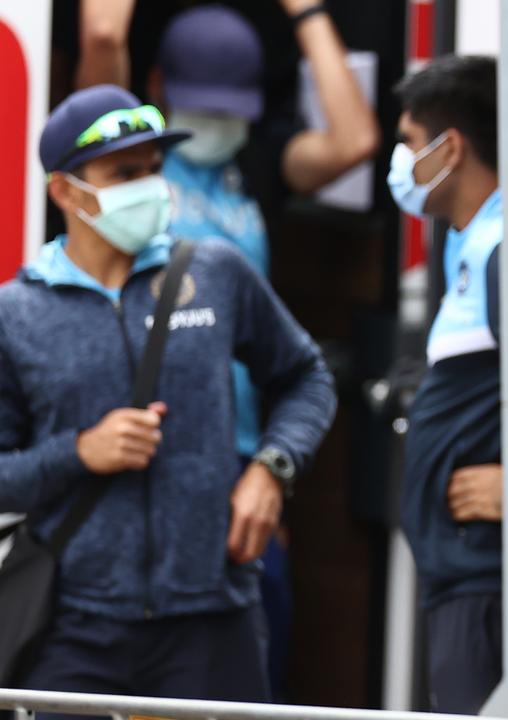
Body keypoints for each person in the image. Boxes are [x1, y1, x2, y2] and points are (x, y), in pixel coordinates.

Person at [0, 85, 336, 717]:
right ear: (66, 192)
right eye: (124, 172)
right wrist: (78, 452)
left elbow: (305, 375)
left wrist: (272, 468)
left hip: (213, 619)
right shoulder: (16, 313)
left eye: (153, 168)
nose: (150, 186)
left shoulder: (216, 270)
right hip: (76, 627)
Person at [75, 2, 379, 696]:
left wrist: (308, 12)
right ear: (156, 86)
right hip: (131, 456)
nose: (217, 123)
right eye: (202, 105)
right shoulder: (126, 168)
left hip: (240, 467)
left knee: (241, 677)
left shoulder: (259, 164)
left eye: (230, 108)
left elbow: (357, 139)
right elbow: (99, 34)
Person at [385, 56, 503, 714]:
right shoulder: (469, 242)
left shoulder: (507, 248)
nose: (399, 164)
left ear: (449, 147)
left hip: (487, 579)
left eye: (407, 142)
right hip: (461, 576)